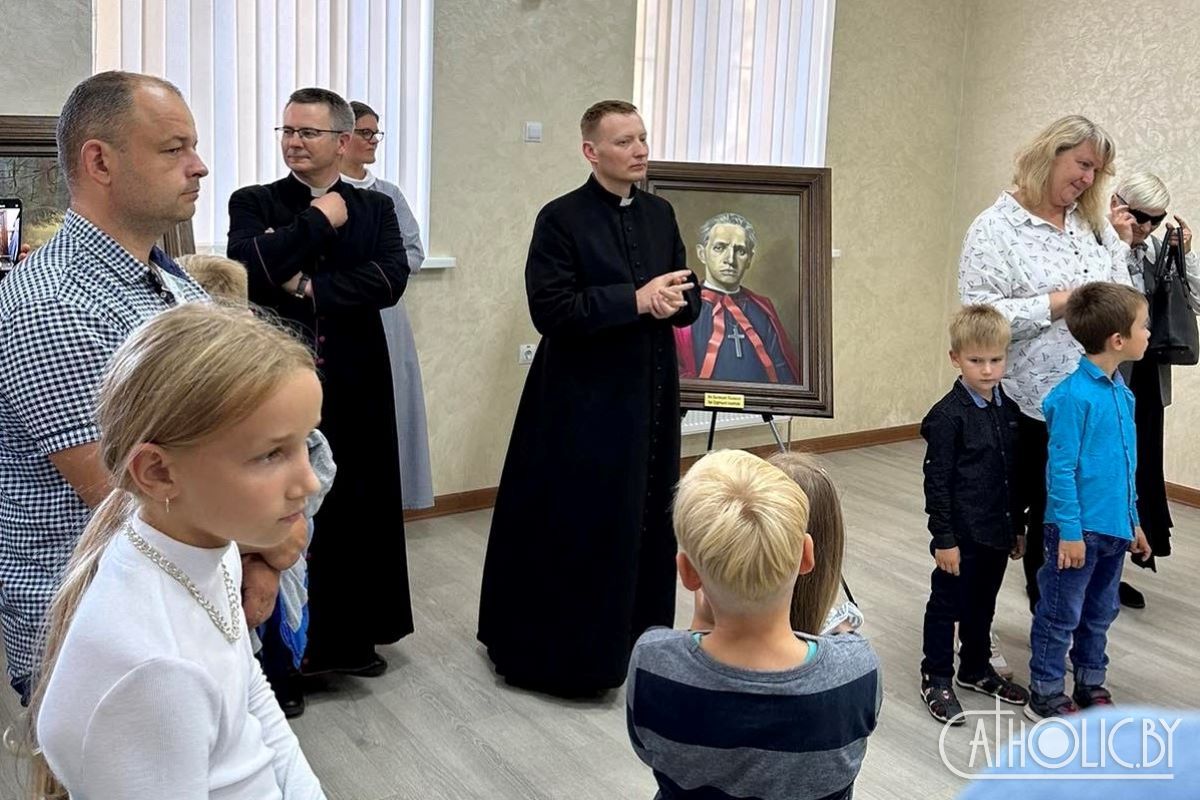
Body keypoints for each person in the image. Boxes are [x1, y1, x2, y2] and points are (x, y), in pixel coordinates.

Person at [0, 72, 303, 705]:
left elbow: (242, 436)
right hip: (103, 642)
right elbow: (128, 497)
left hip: (191, 611)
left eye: (194, 146)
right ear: (100, 162)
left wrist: (265, 544)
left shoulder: (176, 286)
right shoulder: (52, 302)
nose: (199, 166)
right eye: (173, 148)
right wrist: (270, 544)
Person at [31, 304, 325, 798]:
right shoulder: (155, 669)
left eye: (304, 443)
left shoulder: (209, 547)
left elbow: (250, 695)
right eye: (271, 454)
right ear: (159, 473)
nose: (309, 481)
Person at [477, 99, 701, 696]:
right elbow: (550, 308)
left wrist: (678, 300)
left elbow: (685, 289)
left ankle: (637, 642)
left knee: (645, 516)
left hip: (650, 396)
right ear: (591, 152)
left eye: (642, 138)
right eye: (624, 141)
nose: (640, 150)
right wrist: (635, 299)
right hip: (581, 403)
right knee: (583, 523)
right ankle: (571, 658)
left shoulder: (660, 212)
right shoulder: (560, 218)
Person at [227, 87, 412, 678]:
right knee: (284, 507)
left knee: (356, 506)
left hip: (357, 378)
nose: (294, 142)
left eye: (308, 132)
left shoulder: (376, 208)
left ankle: (349, 643)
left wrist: (307, 286)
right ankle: (283, 659)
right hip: (276, 381)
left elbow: (389, 280)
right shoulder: (254, 200)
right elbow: (250, 268)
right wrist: (318, 219)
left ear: (341, 140)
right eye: (287, 131)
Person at [626, 449, 881, 800]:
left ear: (687, 573)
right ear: (807, 555)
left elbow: (648, 749)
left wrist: (699, 627)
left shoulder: (653, 662)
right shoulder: (858, 668)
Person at [959, 115, 1136, 612]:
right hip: (1024, 404)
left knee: (1063, 520)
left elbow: (1122, 290)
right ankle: (977, 633)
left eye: (1096, 171)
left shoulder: (1091, 224)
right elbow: (980, 320)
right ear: (1049, 154)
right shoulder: (994, 229)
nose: (1087, 179)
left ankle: (1053, 620)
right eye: (1082, 164)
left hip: (1090, 400)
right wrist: (1060, 303)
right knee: (1005, 524)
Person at [177, 252, 336, 719]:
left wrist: (274, 552)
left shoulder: (275, 393)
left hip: (272, 550)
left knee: (272, 636)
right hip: (217, 570)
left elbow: (316, 471)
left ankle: (279, 683)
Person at [1026, 282, 1153, 720]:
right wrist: (1070, 532)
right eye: (1144, 326)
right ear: (1118, 340)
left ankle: (1089, 681)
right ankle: (1044, 691)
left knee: (1101, 612)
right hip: (1076, 533)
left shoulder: (1122, 394)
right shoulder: (1071, 398)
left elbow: (1124, 468)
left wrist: (1133, 521)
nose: (1149, 333)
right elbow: (1059, 471)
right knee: (1060, 613)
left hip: (1113, 529)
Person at [918, 305, 1029, 725]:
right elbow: (937, 483)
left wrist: (1017, 526)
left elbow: (1012, 475)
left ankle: (976, 668)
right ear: (956, 359)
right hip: (961, 538)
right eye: (976, 360)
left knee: (983, 604)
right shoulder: (947, 417)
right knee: (946, 607)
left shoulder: (1008, 410)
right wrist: (944, 539)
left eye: (995, 359)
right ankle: (936, 676)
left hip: (997, 532)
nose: (987, 370)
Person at [1110, 172, 1198, 609]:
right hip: (1106, 379)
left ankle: (1112, 570)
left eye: (1156, 220)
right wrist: (1118, 243)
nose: (1146, 227)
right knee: (1103, 472)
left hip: (1146, 381)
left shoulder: (1158, 251)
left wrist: (1185, 255)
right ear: (1117, 204)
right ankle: (1080, 570)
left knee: (1135, 472)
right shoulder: (1094, 244)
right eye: (1139, 216)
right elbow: (1100, 306)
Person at [340, 100, 434, 510]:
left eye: (375, 133)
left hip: (384, 312)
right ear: (341, 139)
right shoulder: (317, 194)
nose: (373, 140)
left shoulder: (388, 195)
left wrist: (371, 276)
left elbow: (413, 251)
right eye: (365, 132)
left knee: (390, 404)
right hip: (334, 314)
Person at [674, 212, 800, 383]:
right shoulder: (683, 305)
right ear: (702, 254)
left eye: (740, 251)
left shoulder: (762, 310)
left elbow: (783, 373)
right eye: (720, 248)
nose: (730, 260)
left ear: (749, 259)